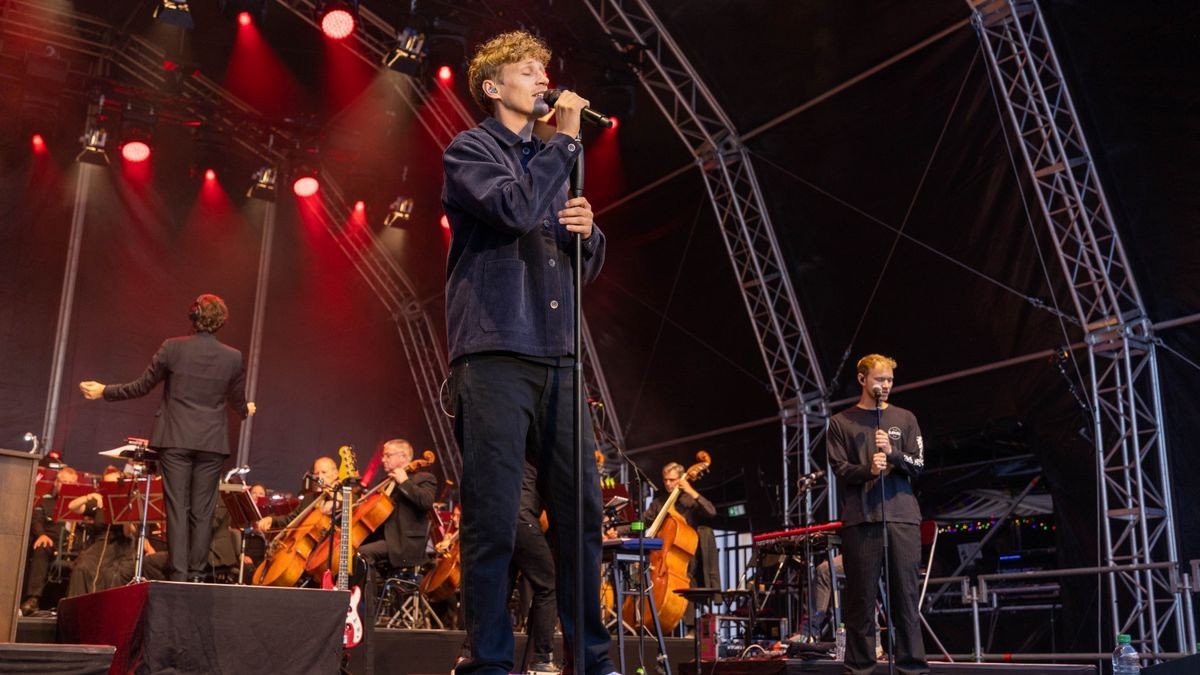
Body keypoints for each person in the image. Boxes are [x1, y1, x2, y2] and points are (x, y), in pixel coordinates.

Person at [442, 30, 614, 675]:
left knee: (581, 519)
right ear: (493, 87)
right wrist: (565, 141)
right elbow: (512, 210)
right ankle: (488, 662)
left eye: (546, 69)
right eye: (527, 71)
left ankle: (590, 661)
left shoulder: (555, 157)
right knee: (491, 516)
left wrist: (588, 233)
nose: (543, 79)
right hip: (494, 354)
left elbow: (580, 263)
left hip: (561, 356)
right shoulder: (470, 150)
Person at [79, 293, 256, 582]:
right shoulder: (233, 357)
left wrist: (104, 391)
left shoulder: (172, 348)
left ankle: (180, 573)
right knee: (203, 509)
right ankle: (198, 574)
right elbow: (237, 399)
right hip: (212, 443)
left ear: (193, 315)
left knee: (177, 507)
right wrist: (245, 410)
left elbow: (141, 386)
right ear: (222, 321)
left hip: (175, 438)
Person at [827, 354, 927, 675]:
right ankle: (860, 669)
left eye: (889, 380)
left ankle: (912, 668)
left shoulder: (905, 418)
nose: (885, 385)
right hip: (862, 519)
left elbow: (919, 465)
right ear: (862, 379)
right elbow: (839, 469)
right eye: (879, 379)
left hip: (902, 518)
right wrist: (868, 469)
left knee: (906, 599)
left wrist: (893, 453)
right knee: (861, 601)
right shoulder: (841, 422)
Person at [643, 462, 719, 632]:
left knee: (687, 577)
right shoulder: (658, 503)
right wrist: (618, 529)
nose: (668, 484)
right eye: (665, 480)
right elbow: (641, 524)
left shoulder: (689, 500)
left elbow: (711, 512)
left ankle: (690, 626)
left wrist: (692, 491)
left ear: (681, 479)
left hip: (688, 555)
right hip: (663, 554)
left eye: (672, 480)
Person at [358, 439, 437, 572]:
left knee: (363, 553)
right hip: (383, 539)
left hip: (403, 543)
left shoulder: (424, 478)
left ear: (403, 457)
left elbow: (426, 502)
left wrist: (404, 482)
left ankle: (367, 594)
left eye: (388, 455)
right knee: (348, 551)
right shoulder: (385, 482)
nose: (383, 459)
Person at [22, 467, 80, 615]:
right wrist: (41, 534)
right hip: (51, 542)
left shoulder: (82, 507)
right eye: (63, 482)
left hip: (76, 547)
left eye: (70, 483)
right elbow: (37, 520)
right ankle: (33, 598)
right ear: (56, 483)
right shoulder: (46, 502)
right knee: (41, 546)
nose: (66, 485)